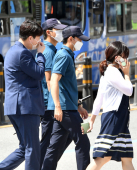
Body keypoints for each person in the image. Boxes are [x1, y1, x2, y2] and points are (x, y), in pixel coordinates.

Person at [0, 20, 46, 170]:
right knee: (32, 149)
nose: (39, 42)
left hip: (16, 106)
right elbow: (40, 73)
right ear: (30, 38)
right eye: (38, 38)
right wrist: (40, 55)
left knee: (24, 148)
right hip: (25, 107)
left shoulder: (13, 50)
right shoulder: (23, 53)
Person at [41, 26, 91, 170]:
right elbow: (54, 80)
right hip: (65, 109)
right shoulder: (63, 55)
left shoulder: (67, 54)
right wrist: (57, 105)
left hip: (67, 107)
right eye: (79, 39)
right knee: (83, 141)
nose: (81, 42)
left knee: (55, 146)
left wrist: (78, 105)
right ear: (71, 39)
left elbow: (66, 86)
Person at [85, 41, 134, 170]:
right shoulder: (113, 73)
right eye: (124, 56)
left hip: (118, 118)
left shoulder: (111, 72)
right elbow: (129, 91)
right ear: (117, 57)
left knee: (127, 157)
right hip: (114, 118)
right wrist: (128, 74)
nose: (126, 60)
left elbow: (98, 99)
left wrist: (92, 120)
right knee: (102, 158)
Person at [39, 18, 68, 168]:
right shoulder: (49, 52)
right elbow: (49, 80)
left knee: (54, 140)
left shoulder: (52, 49)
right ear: (49, 32)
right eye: (58, 30)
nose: (61, 32)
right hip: (49, 105)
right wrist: (56, 103)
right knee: (48, 142)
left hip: (51, 103)